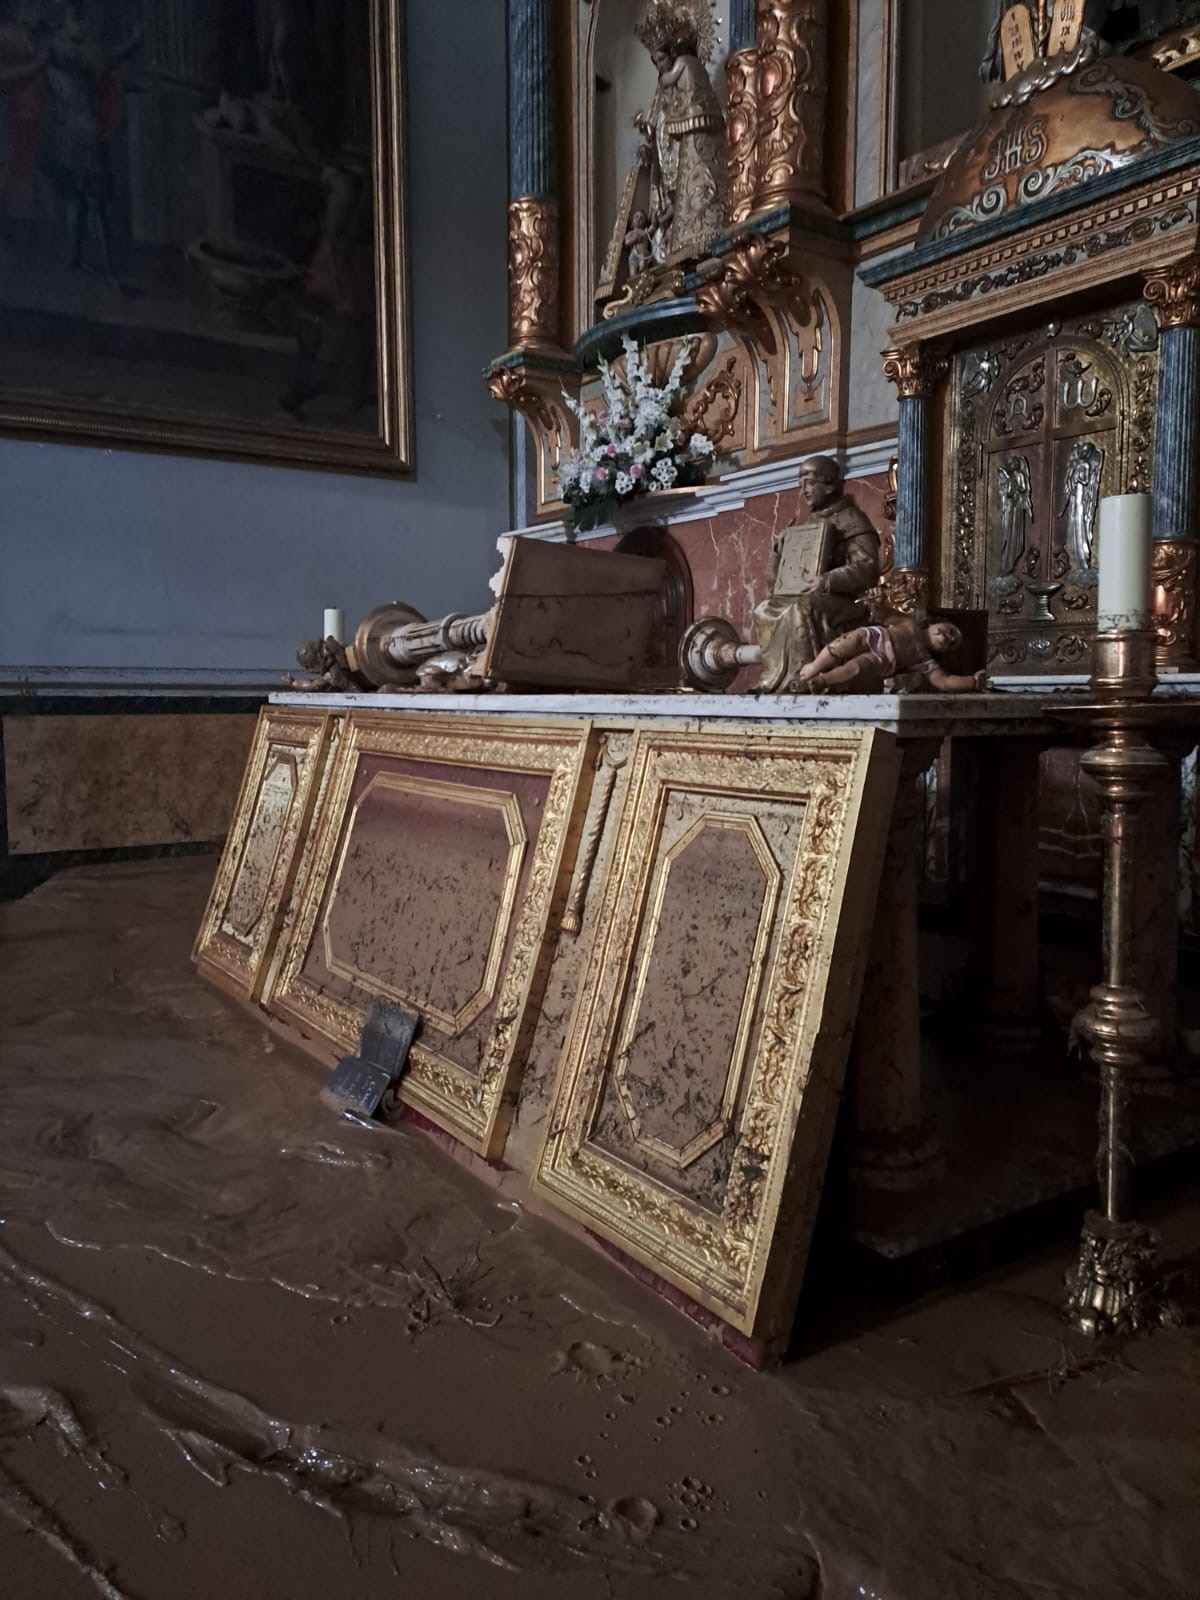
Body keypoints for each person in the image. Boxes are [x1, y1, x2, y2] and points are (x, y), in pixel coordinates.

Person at [753, 455, 881, 693]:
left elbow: (868, 568)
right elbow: (777, 584)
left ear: (830, 484)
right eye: (800, 484)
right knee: (764, 609)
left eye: (810, 483)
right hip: (812, 596)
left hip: (847, 601)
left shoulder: (852, 519)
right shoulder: (807, 524)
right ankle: (774, 680)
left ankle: (804, 677)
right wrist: (779, 551)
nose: (804, 490)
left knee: (803, 607)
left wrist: (828, 580)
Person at [634, 3, 725, 262]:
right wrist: (650, 140)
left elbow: (687, 105)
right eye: (656, 62)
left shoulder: (687, 67)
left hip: (691, 144)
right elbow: (662, 127)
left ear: (673, 53)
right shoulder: (665, 91)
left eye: (661, 60)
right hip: (672, 155)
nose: (660, 67)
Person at [795, 616, 987, 696]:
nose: (948, 637)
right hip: (875, 636)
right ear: (935, 623)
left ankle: (821, 681)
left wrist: (972, 682)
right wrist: (878, 602)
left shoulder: (924, 660)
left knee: (856, 668)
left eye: (952, 643)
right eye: (951, 631)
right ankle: (814, 668)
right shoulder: (910, 622)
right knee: (846, 643)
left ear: (942, 652)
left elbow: (944, 681)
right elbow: (885, 615)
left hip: (882, 661)